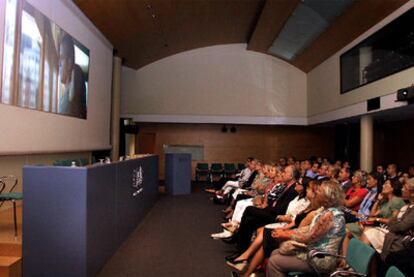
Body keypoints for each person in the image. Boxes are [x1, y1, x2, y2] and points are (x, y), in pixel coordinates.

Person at [266, 180, 346, 276]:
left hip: (321, 258)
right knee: (275, 252)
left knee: (274, 262)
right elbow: (308, 230)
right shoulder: (325, 210)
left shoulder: (330, 215)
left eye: (319, 191)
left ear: (327, 196)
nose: (316, 193)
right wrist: (285, 232)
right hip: (314, 252)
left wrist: (285, 234)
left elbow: (309, 237)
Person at [58, 34, 87, 118]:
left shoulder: (77, 73)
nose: (59, 63)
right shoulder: (66, 95)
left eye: (62, 58)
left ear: (69, 62)